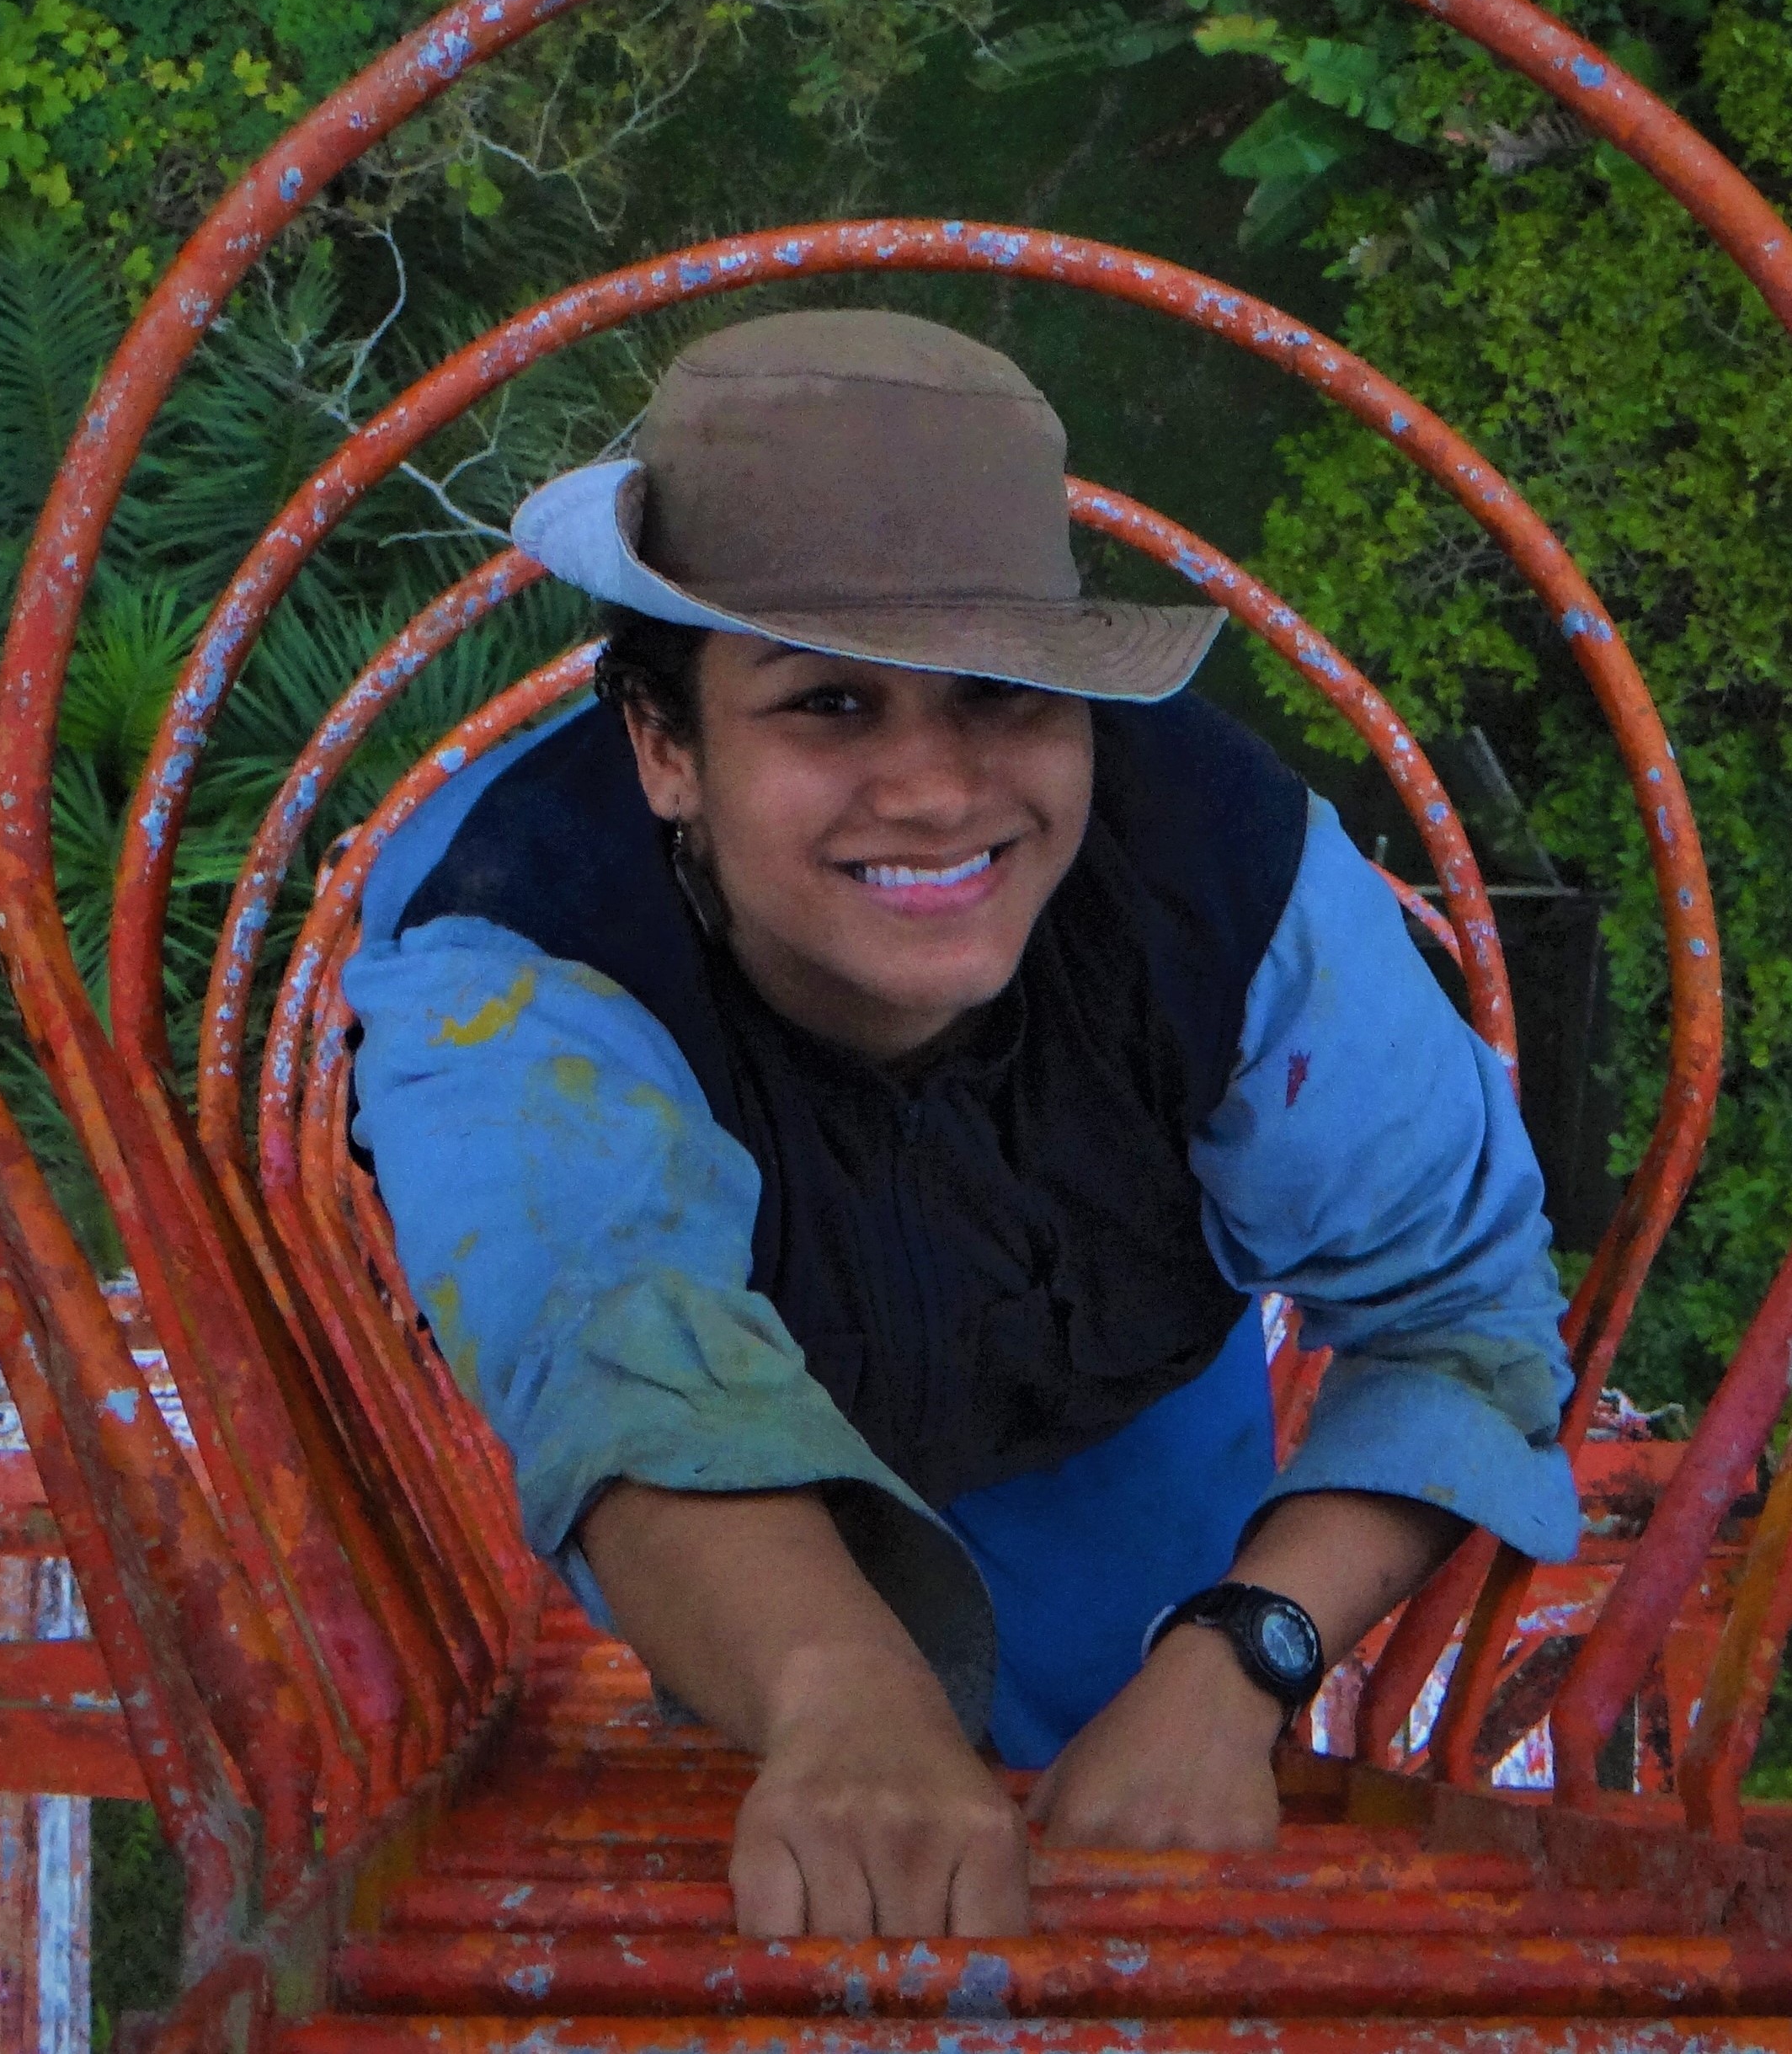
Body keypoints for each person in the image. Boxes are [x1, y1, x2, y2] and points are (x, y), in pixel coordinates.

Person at [346, 309, 1581, 1940]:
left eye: (1001, 692)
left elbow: (1458, 1306)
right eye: (829, 707)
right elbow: (613, 1347)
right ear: (660, 745)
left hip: (1126, 1431)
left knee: (1114, 1847)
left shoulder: (1227, 877)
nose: (934, 790)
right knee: (806, 1844)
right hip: (728, 1494)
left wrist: (1243, 1652)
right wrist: (836, 1686)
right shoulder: (514, 947)